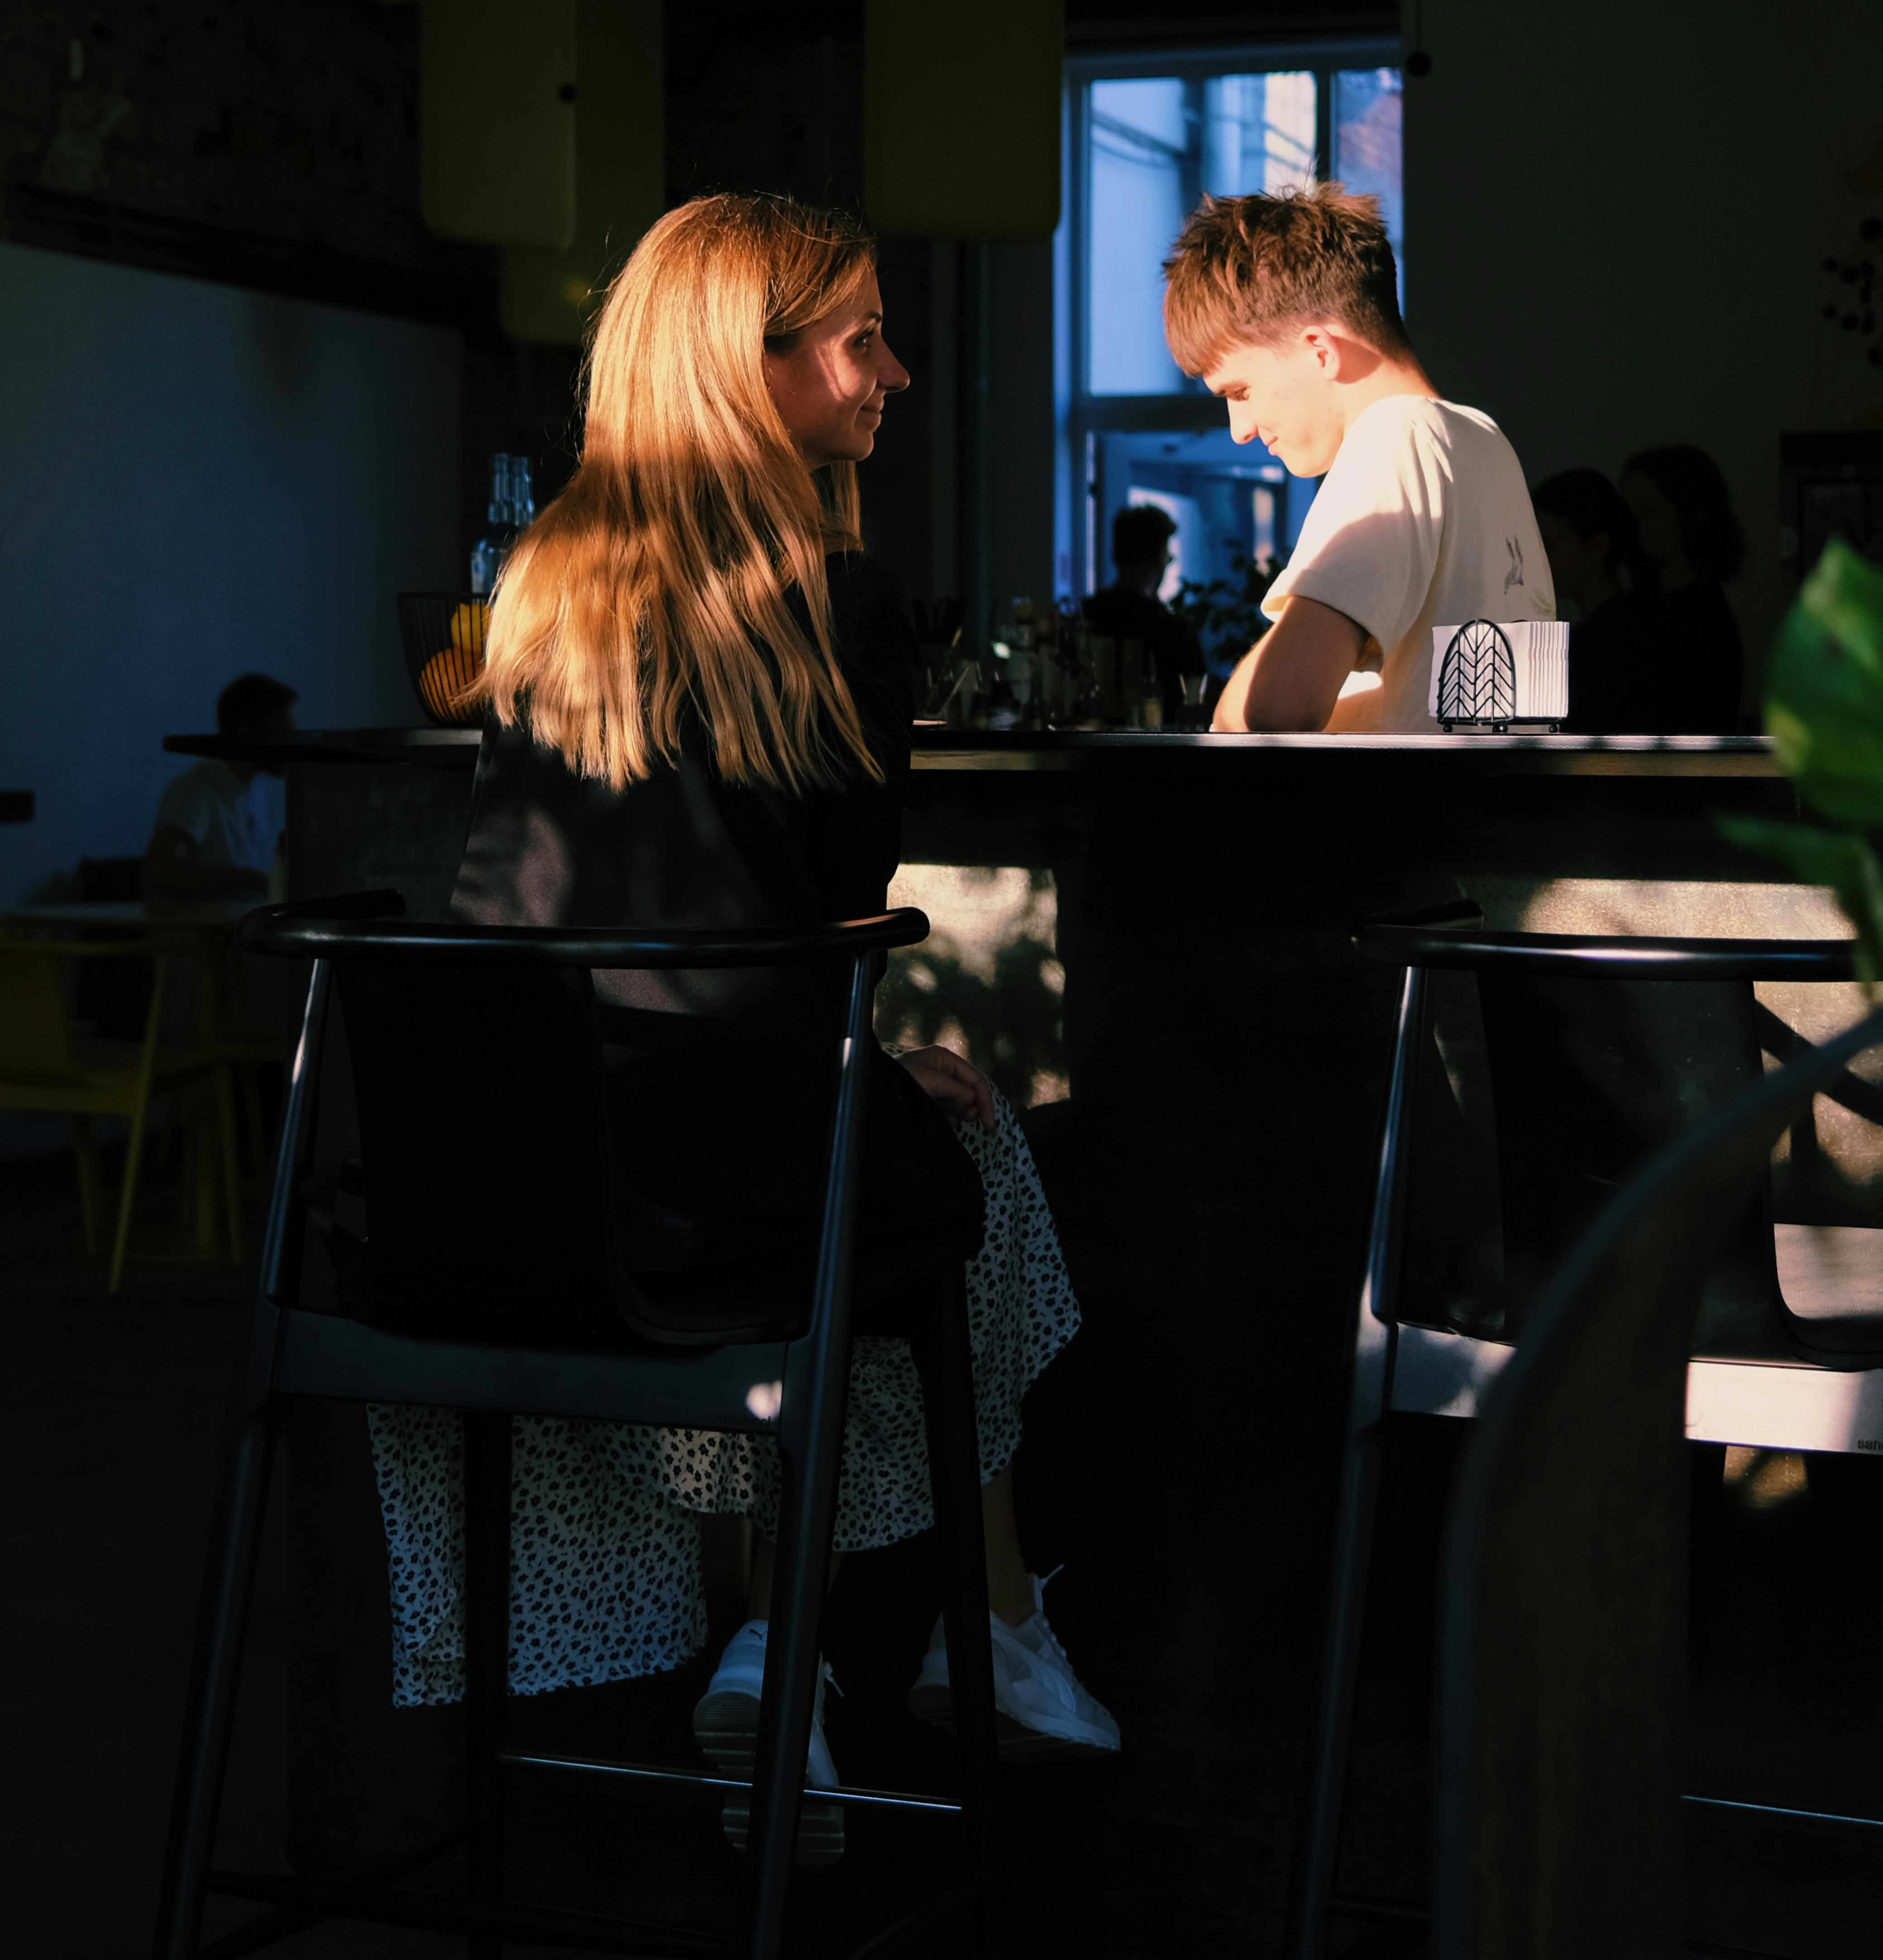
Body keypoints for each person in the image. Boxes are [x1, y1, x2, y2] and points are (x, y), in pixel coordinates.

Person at [369, 193, 1118, 1856]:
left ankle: (849, 1644)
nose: (897, 373)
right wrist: (866, 1063)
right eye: (861, 340)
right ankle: (944, 1629)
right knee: (964, 1171)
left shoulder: (541, 583)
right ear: (747, 368)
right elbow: (839, 913)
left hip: (500, 1198)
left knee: (885, 1153)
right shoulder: (838, 600)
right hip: (731, 1200)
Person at [1160, 183, 1553, 733]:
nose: (1240, 430)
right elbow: (1497, 714)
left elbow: (1275, 710)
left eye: (1239, 392)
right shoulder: (1485, 443)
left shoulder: (1393, 436)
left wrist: (1229, 709)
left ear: (1320, 349)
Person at [1620, 444, 1747, 733]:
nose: (1633, 526)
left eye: (1649, 511)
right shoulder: (1663, 610)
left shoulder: (1697, 618)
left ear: (1695, 516)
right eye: (1629, 513)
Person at [144, 671, 296, 903]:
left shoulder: (258, 795)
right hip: (199, 937)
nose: (293, 743)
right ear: (247, 735)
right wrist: (253, 880)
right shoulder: (197, 791)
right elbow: (164, 868)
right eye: (284, 733)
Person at [1529, 468, 1658, 734]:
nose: (1535, 563)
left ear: (1598, 546)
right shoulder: (1630, 627)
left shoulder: (1606, 641)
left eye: (1548, 548)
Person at [1081, 502, 1207, 709]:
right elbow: (1194, 699)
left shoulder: (1086, 617)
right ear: (1158, 558)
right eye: (1167, 553)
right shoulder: (1173, 632)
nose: (1169, 560)